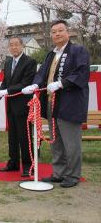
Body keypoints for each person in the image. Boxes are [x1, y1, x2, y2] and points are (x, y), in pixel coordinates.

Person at [22, 20, 90, 188]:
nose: (57, 34)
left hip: (70, 103)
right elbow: (42, 73)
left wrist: (62, 83)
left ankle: (73, 175)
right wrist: (36, 84)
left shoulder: (77, 50)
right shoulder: (50, 54)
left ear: (68, 32)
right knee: (56, 141)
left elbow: (82, 73)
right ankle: (59, 173)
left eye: (60, 30)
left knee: (71, 142)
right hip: (52, 102)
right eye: (54, 32)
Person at [0, 36, 37, 177]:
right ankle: (13, 163)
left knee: (24, 137)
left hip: (24, 105)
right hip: (10, 105)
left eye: (16, 44)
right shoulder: (8, 63)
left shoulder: (30, 62)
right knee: (12, 137)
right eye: (11, 45)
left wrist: (6, 91)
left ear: (22, 46)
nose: (14, 47)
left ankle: (28, 165)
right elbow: (6, 82)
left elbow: (25, 83)